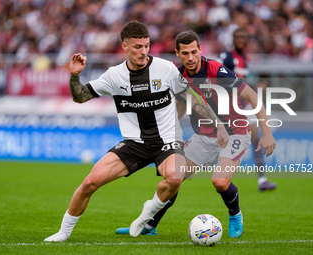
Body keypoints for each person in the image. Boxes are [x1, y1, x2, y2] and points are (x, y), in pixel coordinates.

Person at [116, 30, 276, 238]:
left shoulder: (217, 70)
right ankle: (149, 225)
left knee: (219, 181)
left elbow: (252, 96)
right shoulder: (179, 76)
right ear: (178, 54)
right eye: (185, 54)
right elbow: (181, 107)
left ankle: (235, 214)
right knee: (174, 177)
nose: (190, 58)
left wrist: (266, 132)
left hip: (235, 132)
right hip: (203, 136)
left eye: (194, 52)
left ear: (201, 50)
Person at [43, 20, 190, 242]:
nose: (144, 52)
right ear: (125, 47)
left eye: (147, 46)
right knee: (90, 182)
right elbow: (80, 97)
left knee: (176, 177)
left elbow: (188, 96)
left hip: (167, 141)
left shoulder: (165, 68)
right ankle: (63, 232)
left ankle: (146, 215)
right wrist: (74, 76)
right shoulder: (114, 76)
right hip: (134, 144)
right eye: (138, 47)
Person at [218, 28, 277, 191]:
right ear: (233, 39)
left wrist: (254, 88)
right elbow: (222, 79)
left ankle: (262, 179)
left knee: (255, 138)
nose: (240, 40)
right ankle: (192, 166)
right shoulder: (227, 57)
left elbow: (240, 83)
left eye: (243, 37)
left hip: (243, 104)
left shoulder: (244, 58)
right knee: (216, 137)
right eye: (237, 37)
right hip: (230, 104)